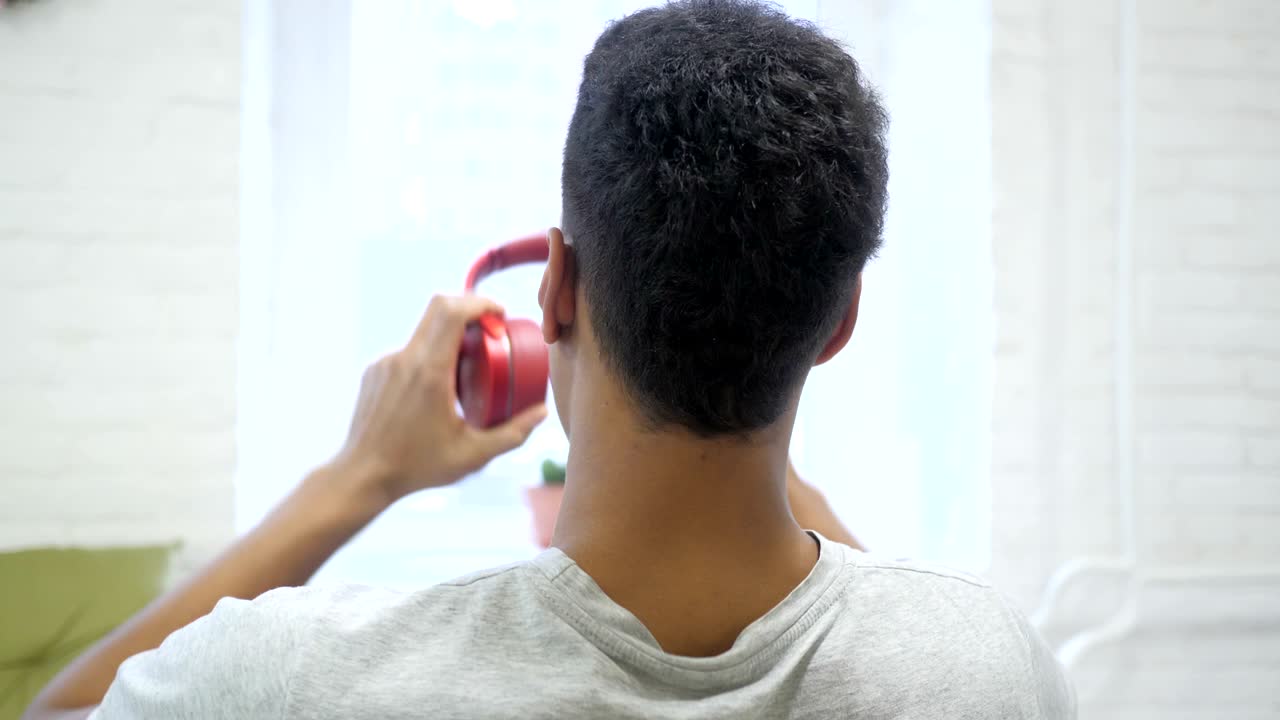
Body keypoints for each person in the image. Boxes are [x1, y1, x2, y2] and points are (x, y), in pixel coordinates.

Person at [25, 1, 1074, 718]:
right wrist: (751, 368)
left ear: (555, 290)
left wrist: (357, 478)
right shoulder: (983, 667)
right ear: (837, 321)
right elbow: (886, 607)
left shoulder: (295, 677)